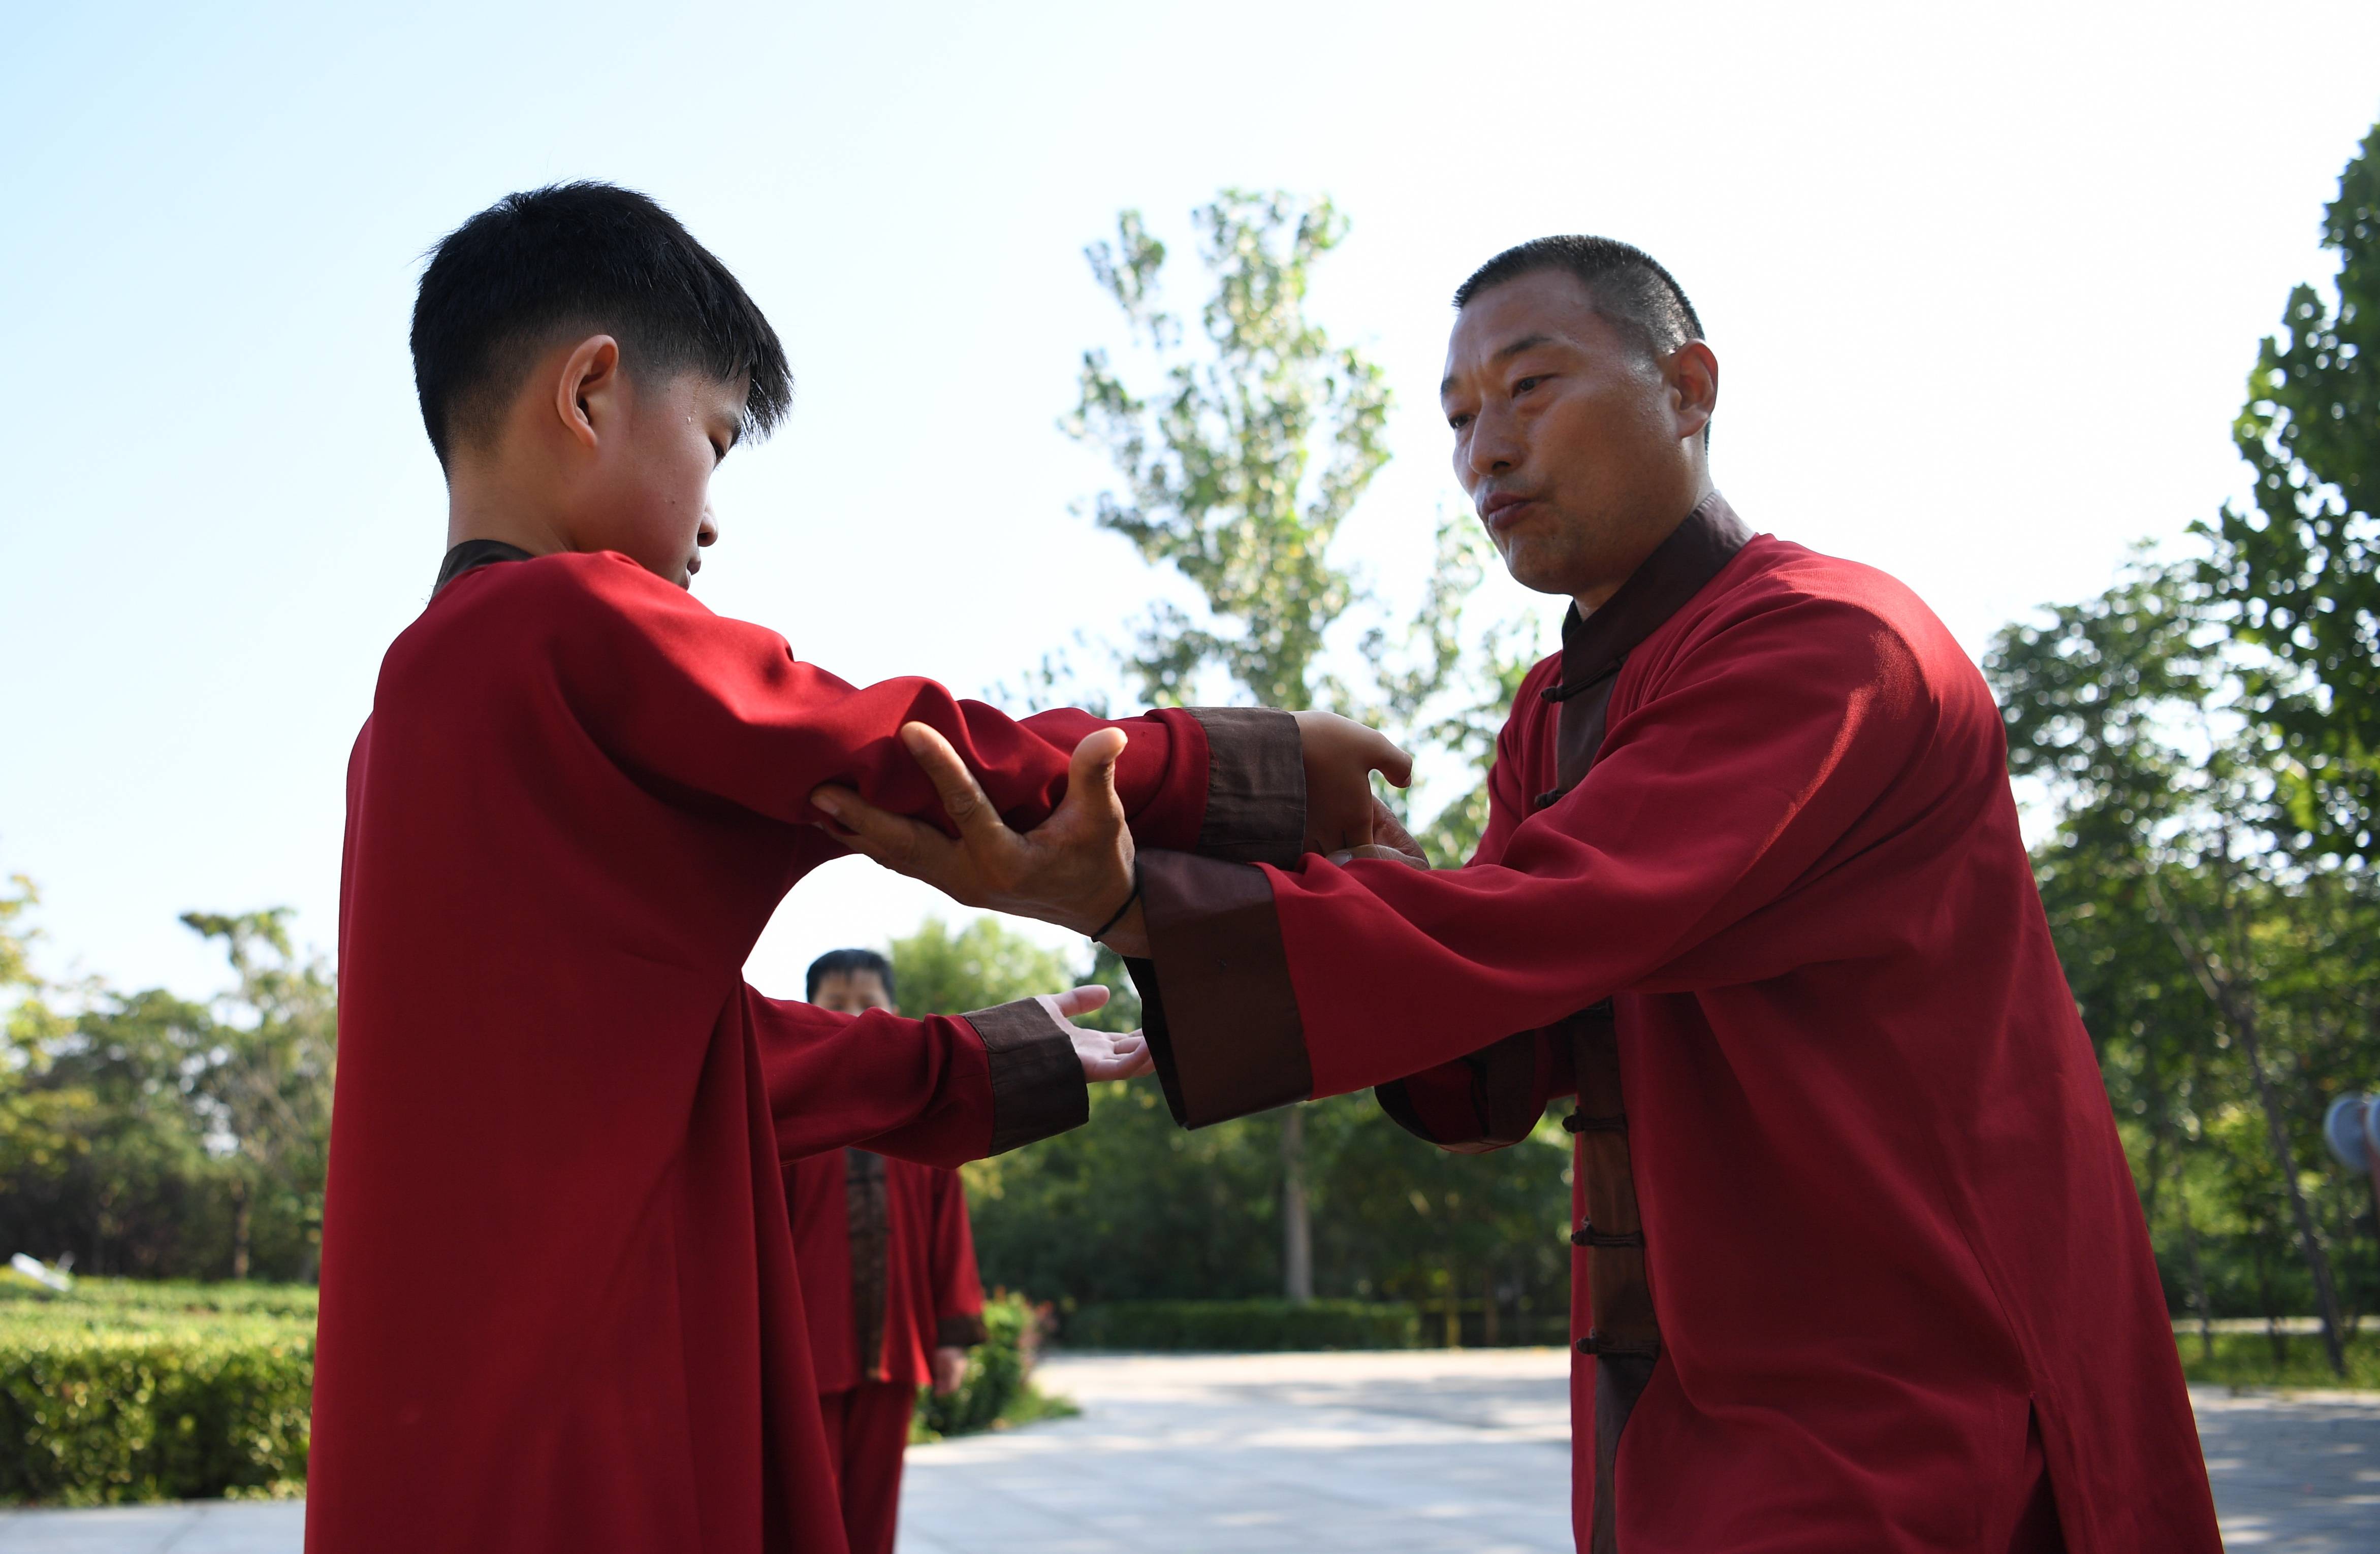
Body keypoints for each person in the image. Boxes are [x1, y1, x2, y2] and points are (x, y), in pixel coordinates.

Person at [812, 237, 2224, 1553]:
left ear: (1685, 386)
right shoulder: (1551, 712)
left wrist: (1140, 900)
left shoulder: (1830, 648)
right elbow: (1494, 1043)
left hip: (1914, 1352)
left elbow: (1525, 922)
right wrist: (1336, 871)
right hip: (1690, 1373)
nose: (1486, 447)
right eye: (1455, 416)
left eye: (1530, 387)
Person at [309, 181, 1409, 1554]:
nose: (711, 525)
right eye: (712, 441)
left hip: (451, 1426)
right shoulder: (562, 618)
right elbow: (901, 746)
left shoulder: (404, 723)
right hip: (593, 1413)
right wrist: (1228, 769)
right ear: (592, 390)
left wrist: (986, 1057)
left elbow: (706, 1057)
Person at [786, 949, 986, 1554]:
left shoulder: (926, 1113)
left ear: (895, 1013)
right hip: (804, 1346)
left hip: (894, 1343)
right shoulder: (786, 1114)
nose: (853, 1017)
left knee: (875, 1508)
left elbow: (946, 1231)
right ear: (803, 1013)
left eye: (868, 1003)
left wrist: (951, 1336)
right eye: (835, 1004)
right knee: (806, 1503)